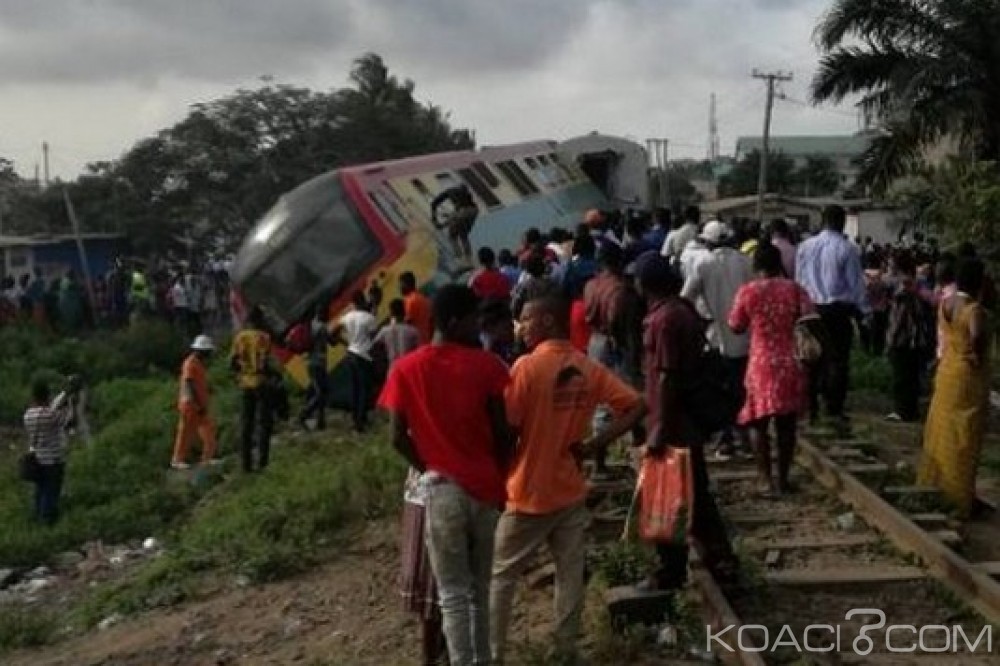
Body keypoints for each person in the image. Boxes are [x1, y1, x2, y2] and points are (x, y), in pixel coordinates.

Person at [492, 296, 646, 664]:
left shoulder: (526, 368)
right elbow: (638, 405)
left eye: (526, 320)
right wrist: (595, 445)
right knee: (570, 573)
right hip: (569, 488)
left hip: (527, 490)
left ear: (546, 320)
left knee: (499, 576)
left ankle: (491, 653)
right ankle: (565, 651)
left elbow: (508, 429)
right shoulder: (586, 367)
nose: (521, 327)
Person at [378, 285, 513, 666]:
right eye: (473, 320)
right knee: (481, 589)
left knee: (452, 594)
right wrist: (501, 478)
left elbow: (396, 437)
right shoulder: (486, 365)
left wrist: (431, 468)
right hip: (485, 490)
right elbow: (503, 433)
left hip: (440, 491)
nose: (478, 328)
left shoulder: (405, 369)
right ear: (454, 321)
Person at [636, 254, 735, 588]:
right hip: (685, 418)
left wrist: (658, 429)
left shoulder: (663, 320)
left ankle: (671, 569)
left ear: (644, 284)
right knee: (695, 492)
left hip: (674, 421)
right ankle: (720, 559)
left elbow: (667, 377)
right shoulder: (681, 310)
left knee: (668, 495)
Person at [728, 243, 814, 497]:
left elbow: (736, 325)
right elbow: (810, 318)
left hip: (760, 363)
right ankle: (783, 480)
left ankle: (765, 480)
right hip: (790, 362)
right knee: (787, 425)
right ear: (780, 265)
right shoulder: (795, 290)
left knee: (757, 422)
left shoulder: (748, 292)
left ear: (756, 266)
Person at [918, 259, 991, 518]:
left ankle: (937, 487)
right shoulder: (973, 310)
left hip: (946, 371)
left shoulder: (945, 304)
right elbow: (977, 335)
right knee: (965, 436)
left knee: (942, 431)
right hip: (967, 376)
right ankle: (960, 496)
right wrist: (977, 355)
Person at [681, 220, 752, 460]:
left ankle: (726, 439)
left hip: (715, 336)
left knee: (719, 390)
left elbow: (686, 299)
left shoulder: (703, 263)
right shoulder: (746, 262)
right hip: (745, 336)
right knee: (741, 388)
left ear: (707, 242)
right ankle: (744, 435)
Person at [796, 205, 869, 425]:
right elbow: (856, 286)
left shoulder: (805, 247)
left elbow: (799, 280)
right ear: (843, 222)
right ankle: (833, 407)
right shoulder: (847, 249)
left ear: (822, 221)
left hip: (810, 309)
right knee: (837, 360)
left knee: (810, 358)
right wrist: (864, 313)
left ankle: (811, 407)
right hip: (837, 310)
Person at [885, 252, 934, 423]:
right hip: (917, 337)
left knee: (901, 375)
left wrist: (891, 338)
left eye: (891, 267)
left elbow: (899, 315)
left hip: (903, 336)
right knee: (912, 375)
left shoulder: (903, 285)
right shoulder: (919, 284)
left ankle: (902, 410)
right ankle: (911, 410)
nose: (889, 270)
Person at [23, 377, 80, 524]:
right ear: (47, 395)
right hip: (53, 459)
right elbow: (70, 420)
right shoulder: (50, 415)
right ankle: (47, 521)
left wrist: (63, 394)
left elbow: (49, 409)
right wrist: (71, 403)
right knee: (51, 492)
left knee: (40, 490)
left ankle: (37, 518)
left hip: (37, 459)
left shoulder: (28, 415)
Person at [231, 307, 274, 472]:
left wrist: (240, 374)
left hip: (245, 383)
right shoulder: (264, 338)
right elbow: (265, 363)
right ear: (260, 320)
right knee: (263, 424)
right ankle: (262, 462)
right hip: (261, 383)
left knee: (246, 425)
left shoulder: (240, 338)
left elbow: (233, 362)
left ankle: (245, 465)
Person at [331, 291, 378, 433]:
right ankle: (361, 421)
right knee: (365, 389)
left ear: (353, 303)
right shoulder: (369, 318)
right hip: (364, 355)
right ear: (363, 301)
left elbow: (332, 332)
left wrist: (344, 342)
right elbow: (374, 336)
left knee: (356, 388)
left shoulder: (347, 317)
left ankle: (355, 419)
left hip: (351, 353)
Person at [171, 335, 218, 469]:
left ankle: (207, 458)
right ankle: (177, 459)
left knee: (208, 430)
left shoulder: (198, 363)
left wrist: (208, 389)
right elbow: (189, 383)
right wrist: (198, 404)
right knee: (186, 432)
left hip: (199, 404)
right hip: (191, 404)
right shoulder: (190, 363)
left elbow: (198, 382)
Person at [297, 306, 333, 431]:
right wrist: (338, 331)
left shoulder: (310, 325)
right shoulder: (322, 327)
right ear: (322, 314)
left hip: (310, 362)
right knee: (322, 393)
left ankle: (321, 421)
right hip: (318, 363)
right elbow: (332, 342)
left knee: (319, 390)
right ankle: (304, 414)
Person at [431, 183, 479, 263]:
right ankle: (469, 258)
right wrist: (448, 218)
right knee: (463, 235)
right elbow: (457, 215)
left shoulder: (450, 191)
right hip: (474, 211)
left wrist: (435, 217)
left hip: (463, 212)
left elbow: (435, 203)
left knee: (452, 235)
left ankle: (459, 258)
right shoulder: (467, 194)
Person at [374, 298, 422, 367]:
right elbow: (419, 352)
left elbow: (375, 348)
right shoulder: (412, 331)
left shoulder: (384, 331)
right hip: (409, 367)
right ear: (404, 312)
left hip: (393, 368)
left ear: (390, 313)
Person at [511, 252, 559, 320]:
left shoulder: (523, 286)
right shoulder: (553, 284)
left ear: (528, 269)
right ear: (543, 268)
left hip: (530, 319)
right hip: (549, 319)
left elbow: (515, 307)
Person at [401, 271, 433, 345]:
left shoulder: (410, 301)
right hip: (427, 339)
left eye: (401, 285)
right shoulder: (423, 298)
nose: (400, 288)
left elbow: (407, 324)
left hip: (417, 343)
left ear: (406, 285)